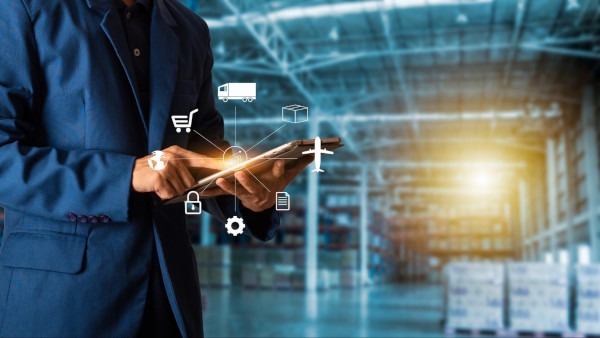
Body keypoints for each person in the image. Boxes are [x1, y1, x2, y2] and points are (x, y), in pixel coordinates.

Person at [0, 0, 310, 336]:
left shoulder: (191, 30)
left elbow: (201, 151)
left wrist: (248, 193)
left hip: (168, 298)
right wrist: (126, 176)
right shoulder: (24, 9)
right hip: (63, 301)